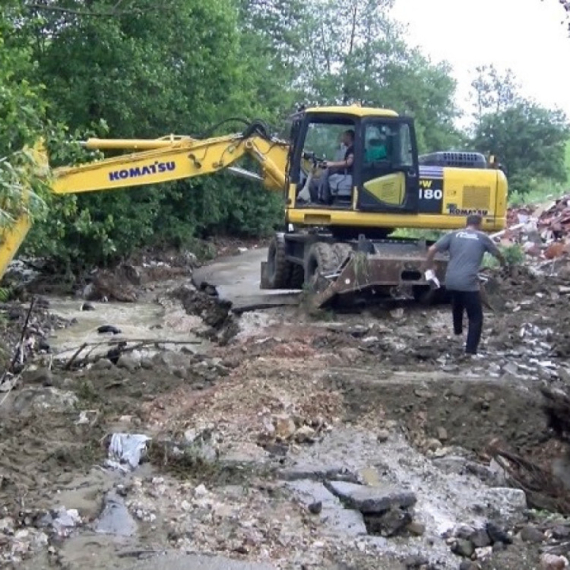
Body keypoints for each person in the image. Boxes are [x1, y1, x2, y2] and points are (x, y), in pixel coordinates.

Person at [423, 214, 506, 357]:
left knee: (458, 300)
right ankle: (470, 351)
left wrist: (428, 267)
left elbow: (431, 249)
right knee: (476, 317)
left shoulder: (454, 235)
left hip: (450, 281)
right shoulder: (482, 237)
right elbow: (497, 253)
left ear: (466, 223)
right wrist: (504, 263)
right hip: (468, 282)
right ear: (479, 224)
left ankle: (457, 332)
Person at [318, 129, 354, 204]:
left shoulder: (352, 148)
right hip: (347, 172)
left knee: (326, 171)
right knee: (328, 169)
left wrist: (332, 164)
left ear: (349, 137)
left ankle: (323, 198)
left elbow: (349, 162)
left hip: (348, 174)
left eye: (344, 136)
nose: (342, 138)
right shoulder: (350, 148)